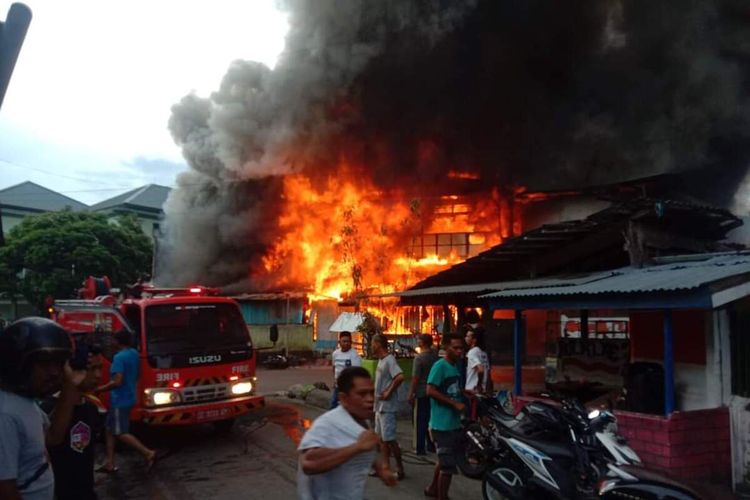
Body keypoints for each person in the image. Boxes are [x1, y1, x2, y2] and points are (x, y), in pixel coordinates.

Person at [0, 317, 90, 500]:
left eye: (58, 364)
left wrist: (69, 384)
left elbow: (53, 437)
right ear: (18, 364)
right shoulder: (5, 415)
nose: (55, 373)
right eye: (45, 364)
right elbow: (6, 490)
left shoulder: (24, 401)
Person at [298, 366, 396, 499]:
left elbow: (365, 452)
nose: (370, 399)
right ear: (344, 398)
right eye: (362, 394)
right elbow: (308, 464)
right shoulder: (327, 424)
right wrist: (357, 447)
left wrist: (382, 470)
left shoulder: (361, 421)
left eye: (371, 393)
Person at [41, 343, 105, 500]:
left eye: (100, 368)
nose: (98, 375)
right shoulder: (47, 409)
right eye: (92, 369)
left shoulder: (92, 407)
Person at [95, 330, 156, 473]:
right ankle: (110, 462)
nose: (111, 342)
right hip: (129, 396)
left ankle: (148, 452)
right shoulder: (135, 354)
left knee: (120, 432)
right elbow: (138, 374)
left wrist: (100, 389)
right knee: (109, 430)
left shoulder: (119, 358)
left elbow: (117, 381)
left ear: (118, 341)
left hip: (119, 400)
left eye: (113, 340)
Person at [424, 334, 466, 500]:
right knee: (447, 467)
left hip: (453, 423)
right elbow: (430, 390)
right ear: (446, 348)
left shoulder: (454, 366)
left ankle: (432, 489)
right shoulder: (440, 366)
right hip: (441, 425)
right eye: (455, 348)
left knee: (443, 460)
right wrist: (453, 404)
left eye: (461, 348)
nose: (459, 351)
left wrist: (464, 394)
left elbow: (451, 389)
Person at [371, 334, 405, 480]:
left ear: (378, 344)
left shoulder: (390, 360)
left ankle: (400, 468)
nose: (371, 346)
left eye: (372, 343)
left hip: (387, 407)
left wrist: (388, 392)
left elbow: (400, 377)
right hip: (379, 407)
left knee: (390, 439)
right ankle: (385, 466)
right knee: (382, 439)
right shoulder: (381, 360)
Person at [407, 334, 438, 455]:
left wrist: (411, 393)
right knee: (430, 419)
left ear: (423, 342)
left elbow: (415, 378)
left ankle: (419, 447)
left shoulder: (419, 359)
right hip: (433, 392)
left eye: (419, 340)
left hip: (421, 392)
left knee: (419, 421)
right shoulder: (435, 356)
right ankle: (431, 445)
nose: (417, 341)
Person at [330, 331, 362, 409]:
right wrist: (335, 380)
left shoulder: (354, 355)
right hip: (338, 386)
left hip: (349, 387)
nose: (346, 343)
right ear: (339, 342)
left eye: (348, 341)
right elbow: (334, 367)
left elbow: (356, 372)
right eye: (344, 341)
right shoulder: (335, 354)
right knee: (334, 406)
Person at [465, 327, 490, 394]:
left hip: (472, 390)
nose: (465, 338)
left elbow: (481, 370)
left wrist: (478, 385)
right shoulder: (483, 353)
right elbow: (487, 372)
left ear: (474, 340)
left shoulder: (472, 352)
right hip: (482, 390)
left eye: (468, 336)